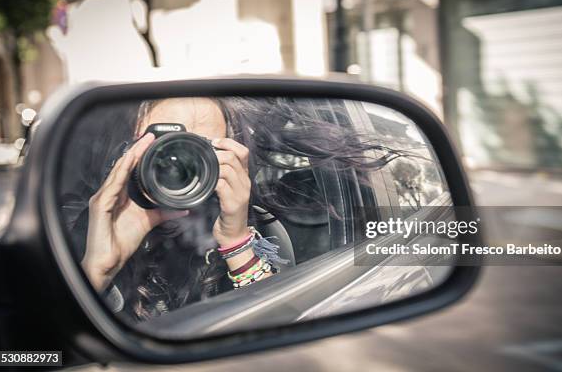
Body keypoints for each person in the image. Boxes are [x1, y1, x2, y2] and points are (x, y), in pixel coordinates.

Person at [63, 96, 416, 321]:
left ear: (230, 160)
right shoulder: (73, 235)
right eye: (162, 146)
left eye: (203, 150)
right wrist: (97, 272)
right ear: (122, 152)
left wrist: (235, 240)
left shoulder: (260, 232)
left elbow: (280, 333)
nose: (179, 165)